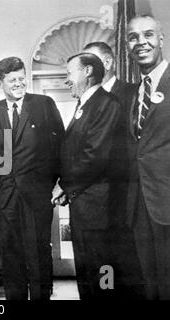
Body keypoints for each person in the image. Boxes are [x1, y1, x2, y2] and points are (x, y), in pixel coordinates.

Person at [0, 56, 64, 300]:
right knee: (11, 256)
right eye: (12, 80)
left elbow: (61, 145)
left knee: (39, 253)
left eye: (22, 78)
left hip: (37, 195)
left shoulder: (43, 104)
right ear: (0, 82)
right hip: (6, 197)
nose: (19, 84)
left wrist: (59, 184)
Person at [54, 52, 120, 299]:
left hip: (100, 210)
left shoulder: (106, 104)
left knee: (103, 273)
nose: (66, 80)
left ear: (88, 72)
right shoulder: (86, 105)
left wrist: (65, 185)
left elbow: (95, 155)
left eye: (69, 73)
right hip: (85, 206)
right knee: (86, 271)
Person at [83, 42, 144, 298]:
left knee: (129, 272)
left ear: (107, 63)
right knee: (102, 274)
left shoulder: (133, 93)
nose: (86, 72)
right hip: (95, 203)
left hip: (128, 199)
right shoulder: (86, 99)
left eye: (92, 63)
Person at [125, 15, 170, 299]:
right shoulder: (136, 91)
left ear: (161, 40)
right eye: (133, 37)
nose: (141, 42)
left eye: (148, 35)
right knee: (151, 284)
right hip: (140, 204)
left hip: (167, 201)